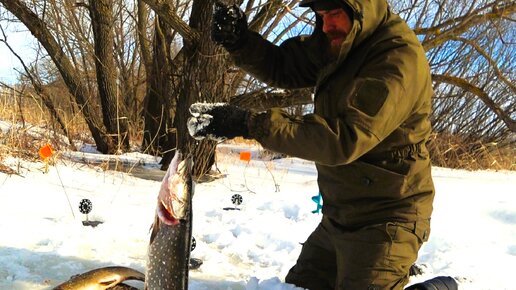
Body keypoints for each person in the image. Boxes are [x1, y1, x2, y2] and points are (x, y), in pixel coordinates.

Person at [188, 0, 436, 289]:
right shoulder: (337, 41)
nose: (327, 25)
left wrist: (250, 124)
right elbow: (283, 66)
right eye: (320, 16)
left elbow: (343, 139)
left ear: (361, 8)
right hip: (340, 214)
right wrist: (241, 42)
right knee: (298, 286)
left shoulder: (396, 60)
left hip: (387, 218)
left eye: (334, 14)